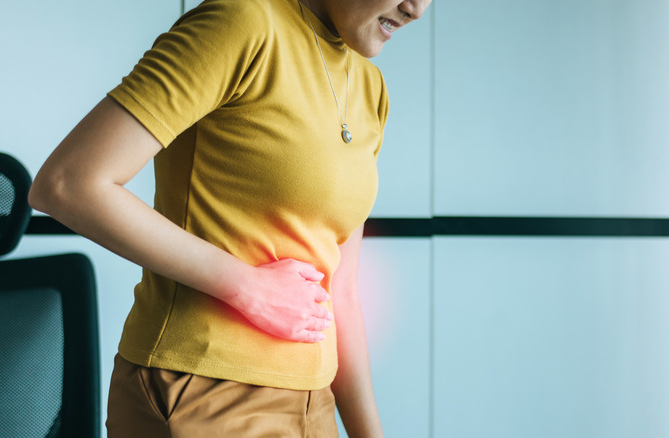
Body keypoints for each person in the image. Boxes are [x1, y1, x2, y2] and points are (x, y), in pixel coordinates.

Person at [29, 0, 432, 436]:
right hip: (201, 389)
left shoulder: (370, 88)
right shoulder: (241, 24)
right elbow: (69, 184)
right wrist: (248, 286)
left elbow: (344, 292)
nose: (417, 9)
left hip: (314, 403)